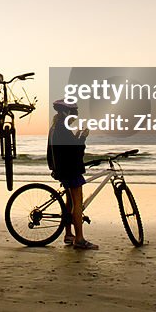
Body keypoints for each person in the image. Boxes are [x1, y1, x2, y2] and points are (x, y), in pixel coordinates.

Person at [47, 99, 97, 250]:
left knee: (70, 203)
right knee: (77, 204)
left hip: (62, 169)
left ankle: (69, 234)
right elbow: (75, 151)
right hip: (70, 169)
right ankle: (79, 239)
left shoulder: (56, 126)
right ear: (66, 113)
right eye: (74, 113)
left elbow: (64, 148)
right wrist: (83, 137)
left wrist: (76, 137)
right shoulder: (62, 128)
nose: (75, 117)